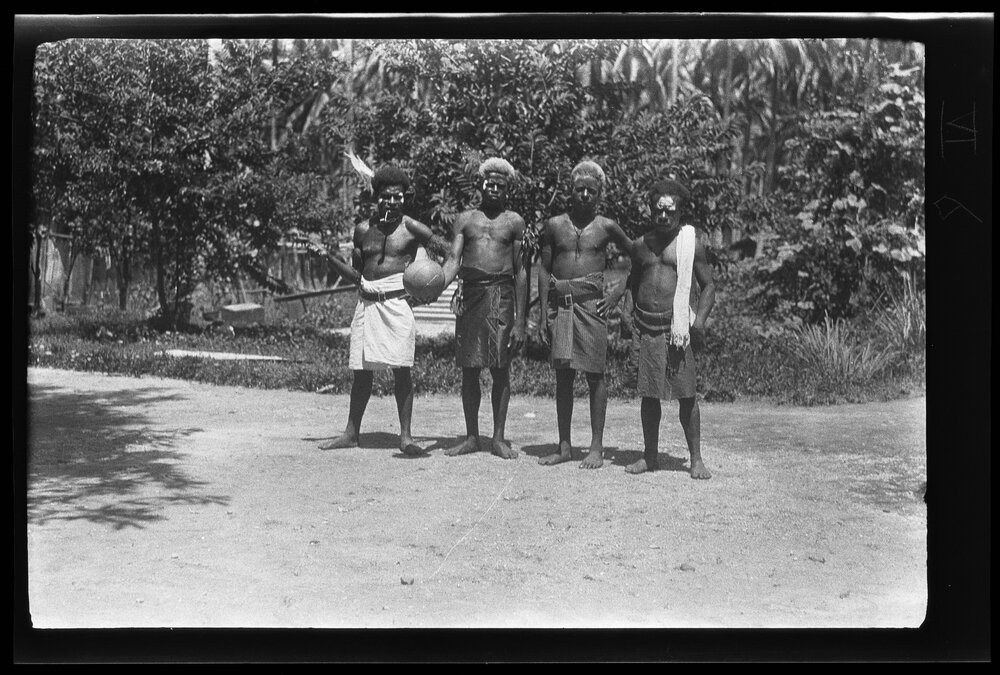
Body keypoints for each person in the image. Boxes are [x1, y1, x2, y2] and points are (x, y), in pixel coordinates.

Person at [320, 164, 442, 456]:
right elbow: (357, 275)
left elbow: (447, 252)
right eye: (386, 197)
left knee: (402, 370)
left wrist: (433, 285)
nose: (392, 203)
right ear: (377, 198)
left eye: (397, 197)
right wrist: (328, 257)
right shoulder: (363, 230)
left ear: (404, 198)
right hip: (367, 304)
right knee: (361, 372)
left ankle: (406, 438)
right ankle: (351, 433)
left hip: (397, 305)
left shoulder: (412, 228)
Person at [536, 160, 633, 469]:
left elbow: (640, 256)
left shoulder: (606, 226)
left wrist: (618, 292)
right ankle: (564, 446)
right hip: (560, 305)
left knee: (595, 375)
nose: (585, 196)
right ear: (571, 191)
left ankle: (596, 447)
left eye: (591, 191)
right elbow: (543, 267)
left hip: (592, 306)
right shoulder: (554, 225)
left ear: (599, 194)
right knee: (563, 376)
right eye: (580, 190)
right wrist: (540, 315)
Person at [623, 178, 715, 479]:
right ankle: (650, 457)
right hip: (647, 327)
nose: (664, 216)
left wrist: (699, 322)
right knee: (649, 396)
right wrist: (627, 314)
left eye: (670, 211)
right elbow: (632, 283)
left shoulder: (691, 245)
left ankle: (696, 459)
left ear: (680, 213)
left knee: (687, 396)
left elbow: (708, 286)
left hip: (677, 330)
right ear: (652, 210)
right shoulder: (641, 245)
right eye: (659, 211)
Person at [439, 158, 528, 460]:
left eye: (500, 185)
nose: (493, 188)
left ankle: (499, 438)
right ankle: (471, 437)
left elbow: (521, 271)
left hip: (501, 296)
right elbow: (453, 259)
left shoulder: (515, 222)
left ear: (507, 189)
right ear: (481, 184)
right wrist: (437, 284)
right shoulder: (465, 219)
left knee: (500, 369)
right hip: (471, 296)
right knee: (469, 369)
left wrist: (521, 320)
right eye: (489, 183)